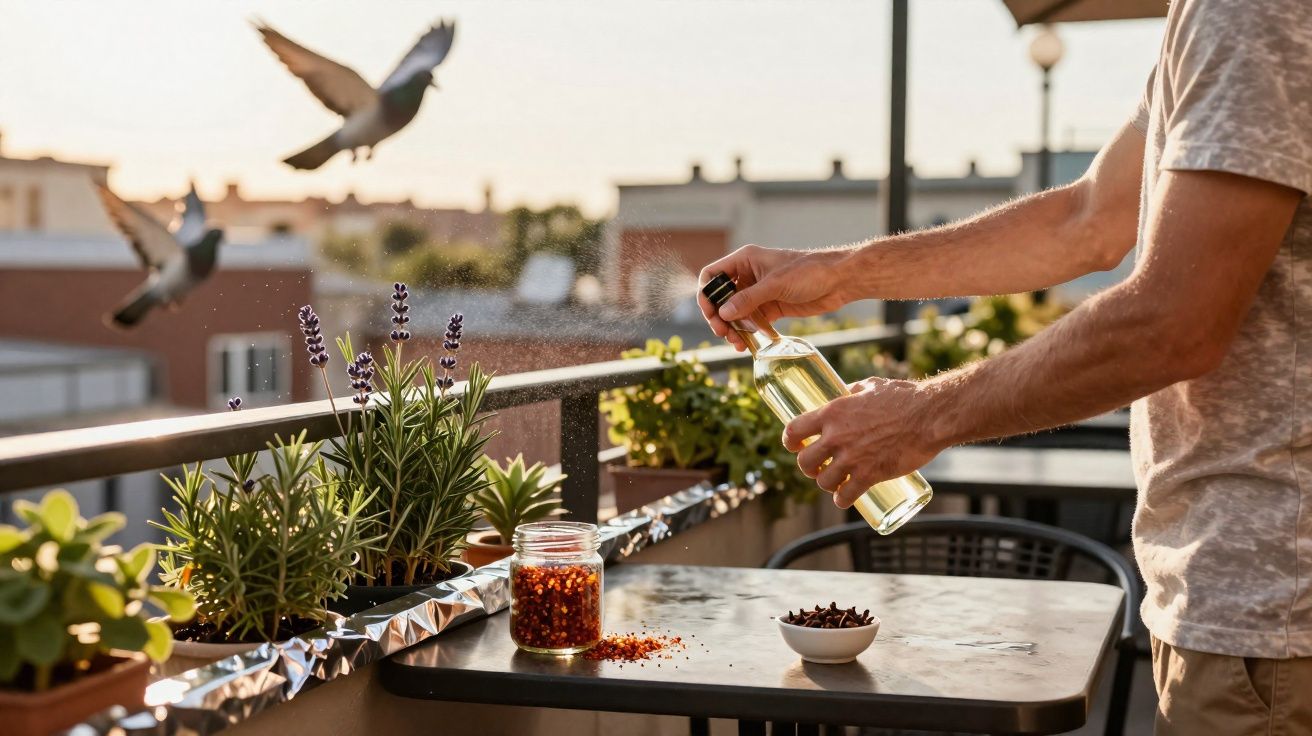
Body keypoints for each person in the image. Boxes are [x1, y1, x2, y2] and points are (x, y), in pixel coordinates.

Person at [698, 1, 1312, 733]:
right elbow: (1086, 220)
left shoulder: (1251, 11)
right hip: (1244, 596)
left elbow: (1174, 322)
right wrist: (837, 274)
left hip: (1275, 604)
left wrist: (923, 415)